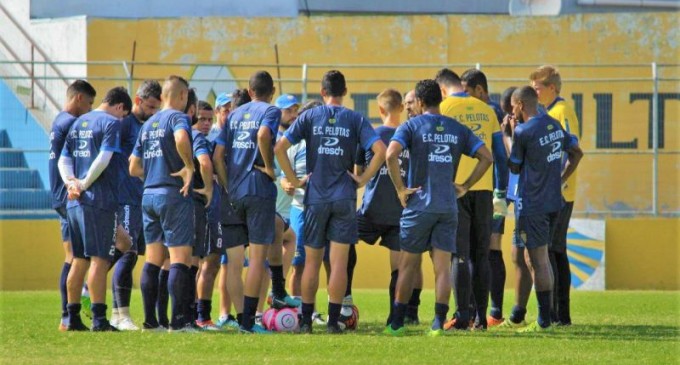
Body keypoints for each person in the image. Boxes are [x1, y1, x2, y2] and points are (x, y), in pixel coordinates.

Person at [275, 70, 386, 334]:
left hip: (315, 199)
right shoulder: (355, 118)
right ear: (345, 92)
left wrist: (294, 179)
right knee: (338, 263)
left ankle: (305, 321)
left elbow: (279, 147)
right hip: (344, 198)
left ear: (322, 92)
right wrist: (363, 179)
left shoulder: (310, 116)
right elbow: (381, 151)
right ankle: (334, 321)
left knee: (311, 263)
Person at [383, 79, 492, 336]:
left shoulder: (412, 125)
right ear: (439, 100)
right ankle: (438, 323)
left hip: (419, 205)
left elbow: (390, 155)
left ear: (420, 102)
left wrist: (400, 188)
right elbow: (487, 157)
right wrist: (465, 185)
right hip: (447, 206)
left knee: (408, 265)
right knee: (442, 267)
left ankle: (397, 323)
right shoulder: (457, 128)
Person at [213, 71, 289, 334]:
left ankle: (238, 317)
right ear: (273, 90)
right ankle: (248, 322)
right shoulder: (270, 110)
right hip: (258, 189)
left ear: (249, 89)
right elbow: (264, 135)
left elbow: (218, 154)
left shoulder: (233, 114)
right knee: (257, 260)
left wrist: (226, 183)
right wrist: (270, 168)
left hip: (232, 192)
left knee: (233, 262)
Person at [505, 86, 582, 332]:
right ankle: (521, 314)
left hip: (533, 205)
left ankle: (544, 321)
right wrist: (560, 178)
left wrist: (508, 136)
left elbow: (514, 167)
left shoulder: (524, 131)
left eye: (513, 107)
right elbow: (577, 152)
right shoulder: (553, 124)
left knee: (538, 259)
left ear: (518, 105)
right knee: (527, 256)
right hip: (552, 202)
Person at [58, 86, 132, 331]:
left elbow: (63, 158)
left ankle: (71, 318)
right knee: (100, 260)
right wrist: (83, 183)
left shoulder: (78, 123)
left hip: (75, 202)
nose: (122, 120)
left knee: (79, 260)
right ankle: (100, 320)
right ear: (120, 107)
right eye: (123, 114)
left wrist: (71, 182)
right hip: (99, 200)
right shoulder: (111, 123)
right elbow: (103, 158)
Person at [130, 75, 198, 332]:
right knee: (180, 259)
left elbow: (133, 166)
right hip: (172, 194)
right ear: (182, 96)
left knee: (153, 259)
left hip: (148, 195)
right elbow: (181, 139)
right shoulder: (177, 117)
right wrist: (189, 167)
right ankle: (178, 323)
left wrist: (153, 176)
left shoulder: (147, 124)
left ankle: (150, 322)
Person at [436, 68, 500, 330]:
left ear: (442, 89)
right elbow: (499, 155)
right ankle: (481, 319)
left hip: (456, 188)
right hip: (484, 187)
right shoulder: (487, 109)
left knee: (459, 255)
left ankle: (462, 316)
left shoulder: (443, 108)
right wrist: (501, 191)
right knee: (481, 255)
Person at [354, 89, 417, 326]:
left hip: (371, 211)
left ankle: (344, 302)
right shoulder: (409, 136)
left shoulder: (372, 134)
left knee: (342, 243)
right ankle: (395, 316)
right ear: (401, 107)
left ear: (380, 110)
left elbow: (358, 172)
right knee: (399, 267)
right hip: (400, 211)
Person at [530, 65, 581, 326]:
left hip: (559, 193)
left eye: (538, 87)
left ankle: (553, 313)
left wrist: (558, 181)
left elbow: (571, 149)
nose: (534, 92)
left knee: (550, 251)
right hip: (558, 192)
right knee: (556, 250)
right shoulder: (551, 112)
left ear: (552, 88)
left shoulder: (561, 111)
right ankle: (561, 314)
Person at [460, 68, 511, 327]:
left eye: (467, 91)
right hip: (490, 191)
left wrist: (501, 192)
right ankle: (489, 312)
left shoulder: (491, 111)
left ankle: (484, 311)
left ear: (479, 89)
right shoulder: (487, 112)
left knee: (481, 251)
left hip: (485, 191)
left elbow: (502, 154)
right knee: (487, 250)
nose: (463, 96)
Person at [111, 80, 162, 331]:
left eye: (157, 108)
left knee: (134, 255)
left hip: (144, 199)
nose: (153, 112)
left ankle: (119, 313)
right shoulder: (124, 124)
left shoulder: (150, 127)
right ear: (138, 101)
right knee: (127, 252)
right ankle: (119, 314)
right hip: (126, 197)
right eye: (150, 106)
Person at [49, 80, 96, 331]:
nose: (89, 109)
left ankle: (66, 317)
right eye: (89, 103)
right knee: (81, 258)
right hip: (70, 196)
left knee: (73, 257)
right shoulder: (71, 124)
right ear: (78, 98)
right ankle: (72, 311)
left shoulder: (58, 120)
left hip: (60, 195)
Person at [285, 99, 329, 325]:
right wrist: (288, 184)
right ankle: (298, 311)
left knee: (329, 261)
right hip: (300, 210)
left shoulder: (330, 144)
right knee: (299, 263)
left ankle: (323, 310)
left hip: (325, 210)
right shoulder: (295, 147)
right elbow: (285, 176)